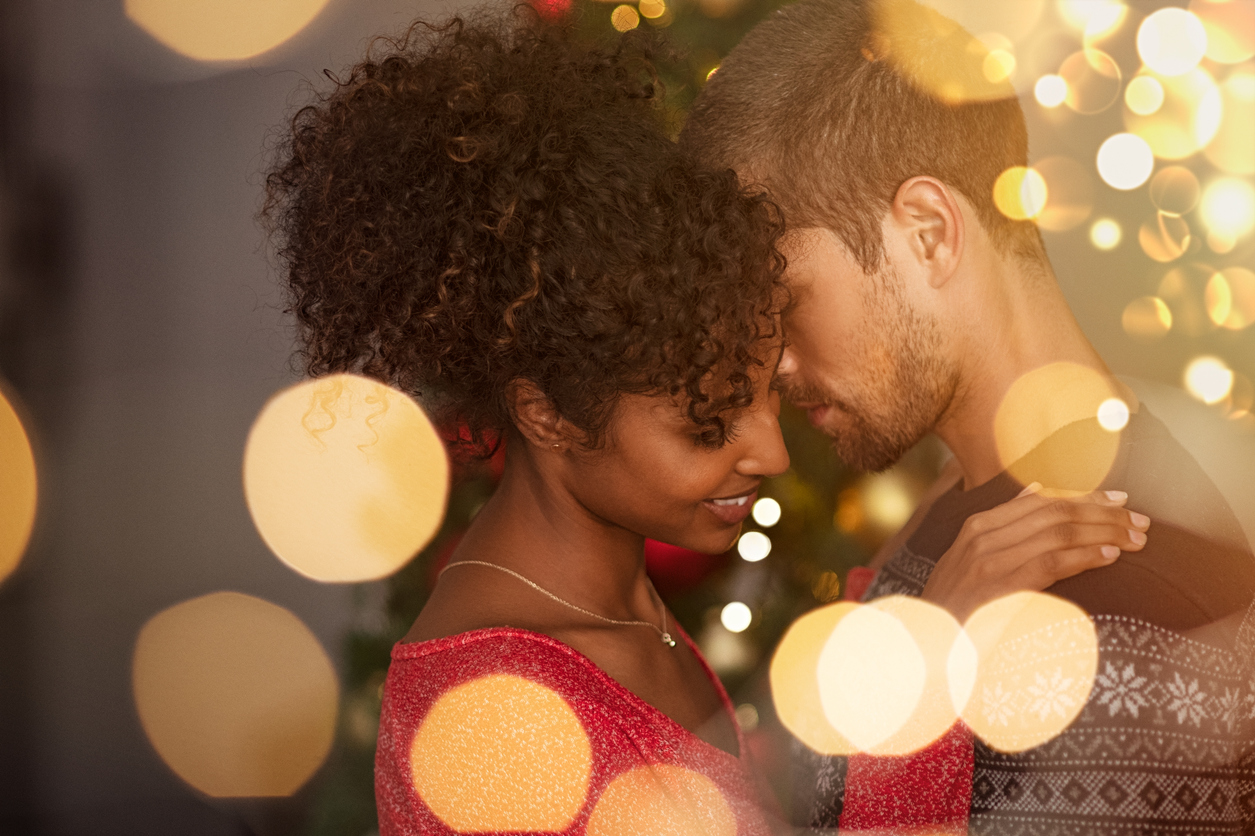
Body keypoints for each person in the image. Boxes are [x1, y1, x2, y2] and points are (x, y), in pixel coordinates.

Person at [263, 8, 1151, 835]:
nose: (769, 450)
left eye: (762, 392)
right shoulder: (492, 712)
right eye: (706, 425)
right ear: (548, 414)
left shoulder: (624, 607)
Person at [682, 0, 1255, 833]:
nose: (770, 364)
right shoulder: (958, 514)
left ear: (927, 233)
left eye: (785, 301)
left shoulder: (1122, 604)